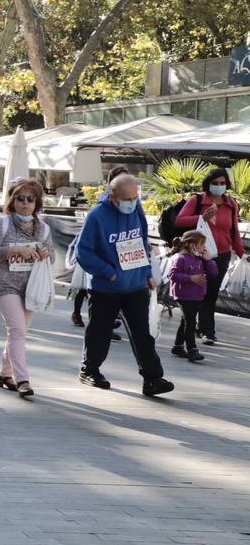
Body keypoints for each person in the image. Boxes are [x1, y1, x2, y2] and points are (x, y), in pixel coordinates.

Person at [74, 173, 173, 395]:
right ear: (112, 197)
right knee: (99, 331)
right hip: (106, 288)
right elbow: (83, 252)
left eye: (135, 197)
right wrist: (108, 272)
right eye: (127, 199)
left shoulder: (136, 210)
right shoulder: (97, 216)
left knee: (143, 333)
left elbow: (141, 241)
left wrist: (147, 271)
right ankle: (89, 370)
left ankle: (152, 378)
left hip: (136, 285)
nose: (132, 202)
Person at [0, 178, 51, 398]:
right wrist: (12, 250)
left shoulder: (43, 228)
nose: (25, 203)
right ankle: (23, 380)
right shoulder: (0, 224)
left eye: (30, 199)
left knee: (18, 334)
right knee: (17, 331)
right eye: (20, 198)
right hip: (6, 286)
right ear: (12, 201)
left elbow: (52, 254)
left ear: (36, 203)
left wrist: (45, 253)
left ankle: (4, 373)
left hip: (31, 288)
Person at [173, 168, 246, 346]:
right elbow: (179, 220)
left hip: (221, 254)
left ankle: (206, 330)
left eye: (222, 183)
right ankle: (188, 331)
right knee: (196, 292)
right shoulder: (197, 200)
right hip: (198, 254)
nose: (219, 186)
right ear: (208, 183)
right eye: (215, 183)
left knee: (211, 292)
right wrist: (201, 218)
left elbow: (234, 231)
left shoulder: (231, 204)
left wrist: (243, 255)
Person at [167, 230, 215, 363]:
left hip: (197, 295)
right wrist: (190, 278)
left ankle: (177, 346)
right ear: (191, 245)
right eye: (201, 244)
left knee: (186, 321)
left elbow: (213, 273)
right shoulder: (180, 258)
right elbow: (173, 275)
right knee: (191, 322)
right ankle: (192, 349)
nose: (203, 248)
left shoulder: (199, 259)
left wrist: (208, 260)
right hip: (184, 295)